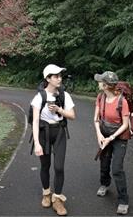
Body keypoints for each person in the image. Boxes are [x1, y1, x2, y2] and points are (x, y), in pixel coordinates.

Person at [31, 64, 76, 216]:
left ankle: (57, 199)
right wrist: (37, 143)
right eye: (56, 76)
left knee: (59, 167)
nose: (59, 78)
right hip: (44, 132)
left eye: (60, 76)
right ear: (48, 78)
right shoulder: (39, 97)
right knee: (45, 165)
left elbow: (72, 115)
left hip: (60, 132)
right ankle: (46, 193)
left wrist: (59, 110)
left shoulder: (64, 95)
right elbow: (35, 121)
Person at [93, 71, 130, 215]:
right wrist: (99, 135)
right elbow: (96, 119)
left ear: (106, 85)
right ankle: (104, 184)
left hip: (119, 137)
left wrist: (111, 138)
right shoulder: (100, 97)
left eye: (100, 81)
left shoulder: (122, 101)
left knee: (117, 168)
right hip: (104, 133)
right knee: (104, 161)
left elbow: (125, 125)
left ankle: (123, 200)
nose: (98, 83)